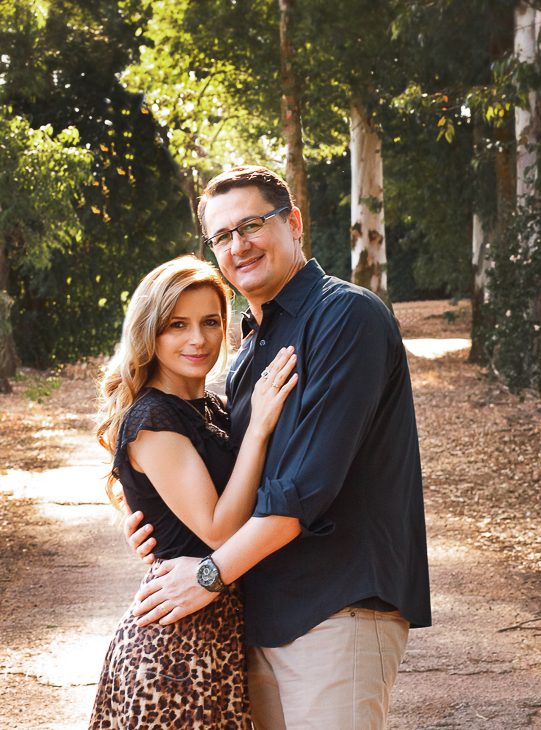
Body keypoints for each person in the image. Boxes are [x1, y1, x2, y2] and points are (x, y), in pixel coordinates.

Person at [123, 166, 431, 730]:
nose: (238, 246)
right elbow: (234, 489)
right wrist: (164, 522)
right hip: (259, 616)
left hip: (336, 608)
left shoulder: (346, 316)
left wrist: (209, 574)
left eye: (251, 225)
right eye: (221, 236)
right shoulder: (248, 352)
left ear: (293, 223)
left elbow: (303, 490)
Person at [89, 256, 298, 730]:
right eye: (177, 325)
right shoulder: (153, 419)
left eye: (209, 322)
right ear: (150, 332)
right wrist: (261, 427)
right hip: (175, 658)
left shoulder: (210, 407)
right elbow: (220, 528)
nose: (197, 339)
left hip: (215, 637)